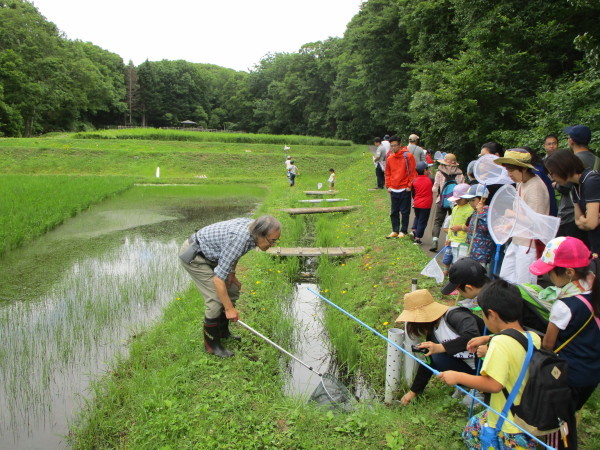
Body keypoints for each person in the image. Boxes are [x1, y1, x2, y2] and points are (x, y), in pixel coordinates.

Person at [437, 279, 541, 449]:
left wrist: (457, 376)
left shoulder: (500, 343)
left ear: (492, 314)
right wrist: (487, 339)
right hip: (530, 414)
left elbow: (493, 385)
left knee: (475, 435)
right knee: (472, 427)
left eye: (483, 315)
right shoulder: (532, 337)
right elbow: (515, 341)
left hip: (509, 426)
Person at [529, 236, 600, 449]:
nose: (549, 275)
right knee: (570, 412)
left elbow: (549, 344)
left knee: (558, 425)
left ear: (569, 272)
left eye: (551, 270)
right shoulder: (594, 285)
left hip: (569, 374)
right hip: (593, 371)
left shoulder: (565, 306)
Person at [178, 216, 282, 358]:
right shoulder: (239, 239)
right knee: (216, 298)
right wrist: (229, 308)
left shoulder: (253, 230)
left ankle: (223, 332)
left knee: (232, 288)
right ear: (260, 234)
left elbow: (235, 254)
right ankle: (212, 345)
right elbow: (218, 280)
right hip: (196, 256)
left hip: (213, 254)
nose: (273, 245)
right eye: (272, 241)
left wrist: (231, 272)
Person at [396, 289, 483, 406]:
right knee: (435, 357)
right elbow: (428, 362)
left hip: (485, 364)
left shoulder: (455, 316)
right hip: (467, 366)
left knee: (437, 354)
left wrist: (441, 347)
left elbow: (473, 336)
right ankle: (466, 385)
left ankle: (481, 390)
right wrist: (413, 391)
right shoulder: (433, 331)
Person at [494, 148, 549, 284]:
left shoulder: (535, 186)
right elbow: (520, 216)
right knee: (505, 280)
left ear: (524, 169)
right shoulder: (521, 183)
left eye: (512, 170)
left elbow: (536, 220)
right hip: (517, 240)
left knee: (524, 285)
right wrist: (507, 226)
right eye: (507, 170)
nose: (509, 174)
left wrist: (512, 214)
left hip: (529, 245)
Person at [546, 149, 600, 256]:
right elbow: (577, 221)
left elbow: (591, 223)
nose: (552, 178)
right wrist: (587, 220)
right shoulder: (575, 186)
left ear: (562, 167)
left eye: (552, 173)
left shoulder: (591, 181)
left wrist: (586, 220)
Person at [430, 153, 465, 251]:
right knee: (452, 221)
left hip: (441, 200)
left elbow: (434, 188)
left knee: (438, 221)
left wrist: (438, 190)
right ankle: (450, 242)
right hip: (455, 201)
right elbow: (462, 188)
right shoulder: (460, 173)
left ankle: (435, 240)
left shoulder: (439, 172)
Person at [384, 135, 417, 238]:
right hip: (393, 188)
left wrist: (409, 185)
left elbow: (413, 172)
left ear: (400, 145)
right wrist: (388, 185)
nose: (393, 148)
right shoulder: (390, 158)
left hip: (404, 188)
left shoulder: (408, 156)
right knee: (394, 211)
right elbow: (387, 173)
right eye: (391, 146)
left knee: (405, 211)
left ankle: (403, 231)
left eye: (395, 145)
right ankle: (395, 230)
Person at [462, 184, 495, 268]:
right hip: (472, 250)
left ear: (483, 199)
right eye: (469, 201)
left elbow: (486, 228)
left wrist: (481, 213)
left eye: (473, 200)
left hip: (482, 253)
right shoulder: (475, 212)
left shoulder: (488, 212)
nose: (470, 203)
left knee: (479, 275)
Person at [443, 183, 473, 273]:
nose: (457, 201)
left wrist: (460, 227)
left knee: (459, 262)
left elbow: (471, 227)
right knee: (451, 260)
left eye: (459, 199)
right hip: (453, 240)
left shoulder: (470, 209)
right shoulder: (456, 208)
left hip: (462, 241)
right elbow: (452, 223)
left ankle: (458, 281)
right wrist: (449, 238)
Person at [410, 161, 433, 245]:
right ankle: (417, 238)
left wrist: (415, 200)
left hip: (417, 202)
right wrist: (430, 174)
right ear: (425, 170)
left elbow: (413, 192)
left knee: (418, 217)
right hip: (426, 204)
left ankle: (414, 230)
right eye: (427, 169)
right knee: (423, 221)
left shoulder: (414, 180)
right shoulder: (430, 179)